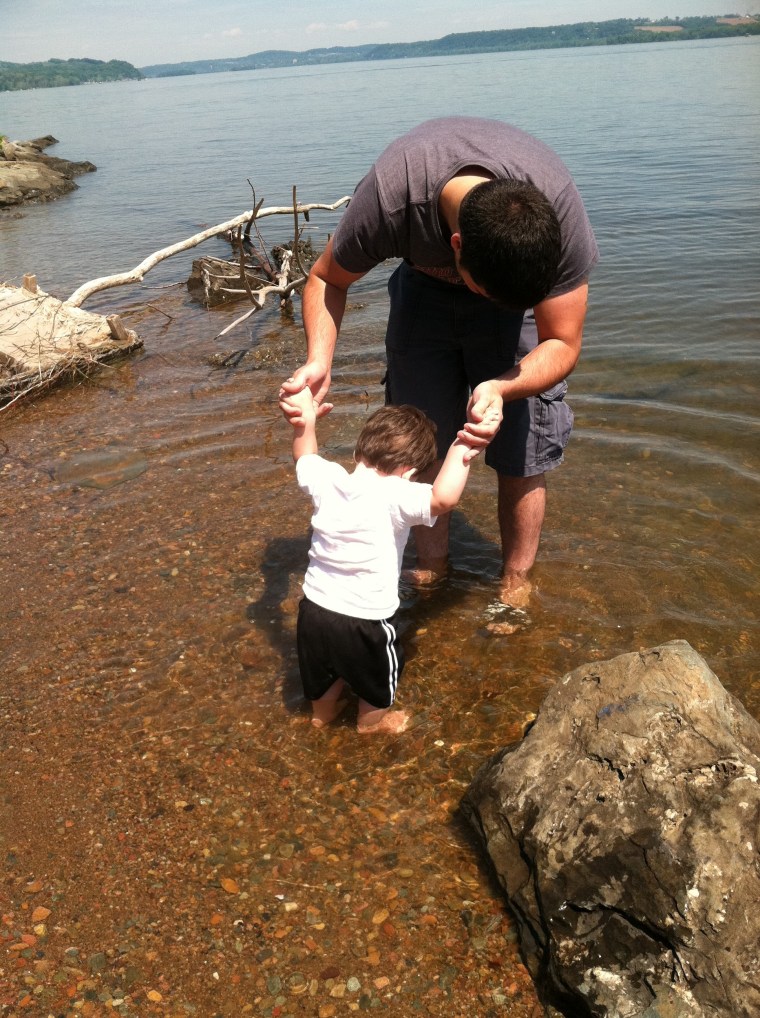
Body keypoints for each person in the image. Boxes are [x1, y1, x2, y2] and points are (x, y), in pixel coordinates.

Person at [280, 117, 599, 606]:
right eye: (491, 296)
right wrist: (319, 358)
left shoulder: (556, 209)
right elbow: (327, 278)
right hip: (423, 295)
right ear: (456, 248)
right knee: (418, 439)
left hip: (511, 280)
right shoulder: (393, 194)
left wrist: (501, 387)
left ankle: (516, 582)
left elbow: (563, 341)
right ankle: (433, 566)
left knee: (524, 445)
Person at [279, 384, 485, 733]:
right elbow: (444, 498)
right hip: (366, 619)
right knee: (378, 680)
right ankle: (372, 724)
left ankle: (322, 716)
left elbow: (304, 456)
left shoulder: (329, 478)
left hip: (314, 610)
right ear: (409, 472)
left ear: (361, 449)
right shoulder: (398, 494)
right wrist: (463, 446)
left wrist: (306, 424)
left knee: (322, 674)